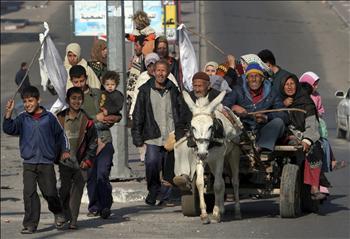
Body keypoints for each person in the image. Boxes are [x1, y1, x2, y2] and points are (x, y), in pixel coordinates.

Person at [3, 86, 67, 234]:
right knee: (29, 193)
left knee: (50, 192)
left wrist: (65, 151)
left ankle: (58, 212)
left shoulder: (50, 118)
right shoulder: (23, 118)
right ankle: (30, 224)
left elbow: (61, 136)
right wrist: (8, 112)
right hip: (29, 163)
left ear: (39, 100)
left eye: (31, 100)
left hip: (46, 163)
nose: (28, 104)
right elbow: (9, 129)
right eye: (25, 101)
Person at [68, 65, 121, 219]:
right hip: (84, 145)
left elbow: (114, 114)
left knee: (102, 174)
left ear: (86, 78)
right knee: (90, 177)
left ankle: (105, 205)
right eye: (76, 82)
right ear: (71, 81)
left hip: (104, 140)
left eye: (82, 80)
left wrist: (111, 118)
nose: (79, 84)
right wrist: (96, 119)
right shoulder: (72, 99)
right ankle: (94, 206)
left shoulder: (99, 94)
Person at [131, 59, 183, 206]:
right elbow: (138, 115)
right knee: (152, 162)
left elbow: (180, 111)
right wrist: (137, 137)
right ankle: (153, 190)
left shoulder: (173, 90)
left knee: (169, 167)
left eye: (163, 71)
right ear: (153, 72)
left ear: (167, 73)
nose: (160, 73)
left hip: (170, 136)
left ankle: (165, 197)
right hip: (152, 135)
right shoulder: (145, 91)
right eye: (158, 70)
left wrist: (180, 131)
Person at [222, 63, 288, 152]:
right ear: (246, 79)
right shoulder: (238, 90)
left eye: (257, 76)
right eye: (250, 76)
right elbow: (224, 105)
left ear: (262, 78)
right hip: (242, 130)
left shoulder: (272, 92)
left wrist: (267, 117)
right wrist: (233, 107)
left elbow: (284, 115)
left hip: (263, 131)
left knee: (278, 122)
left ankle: (260, 148)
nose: (253, 79)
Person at [173, 72, 223, 190]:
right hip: (192, 134)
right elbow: (181, 121)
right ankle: (184, 176)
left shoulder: (217, 97)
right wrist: (180, 136)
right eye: (195, 86)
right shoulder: (187, 98)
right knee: (182, 146)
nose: (197, 89)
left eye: (200, 86)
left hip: (212, 137)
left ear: (208, 86)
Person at [56, 87, 97, 229]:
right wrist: (57, 154)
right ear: (67, 100)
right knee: (64, 190)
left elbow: (93, 142)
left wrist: (87, 160)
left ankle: (73, 220)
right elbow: (53, 139)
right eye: (73, 98)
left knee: (77, 191)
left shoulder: (87, 120)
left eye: (79, 99)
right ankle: (64, 214)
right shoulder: (59, 118)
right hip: (65, 162)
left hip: (81, 162)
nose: (76, 101)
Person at [280, 73, 325, 200]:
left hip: (303, 137)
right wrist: (283, 105)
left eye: (292, 84)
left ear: (297, 85)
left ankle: (314, 187)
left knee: (315, 148)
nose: (289, 87)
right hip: (284, 137)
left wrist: (306, 140)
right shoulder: (277, 101)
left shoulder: (307, 103)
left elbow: (312, 126)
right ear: (282, 87)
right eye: (286, 84)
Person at [96, 71, 124, 153]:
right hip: (102, 115)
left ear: (116, 84)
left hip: (110, 116)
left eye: (112, 85)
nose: (110, 87)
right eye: (107, 85)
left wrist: (108, 111)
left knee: (95, 127)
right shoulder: (103, 93)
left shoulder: (117, 95)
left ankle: (100, 142)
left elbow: (118, 107)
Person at [126, 35, 147, 118]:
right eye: (134, 45)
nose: (135, 48)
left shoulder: (145, 60)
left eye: (137, 45)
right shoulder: (135, 58)